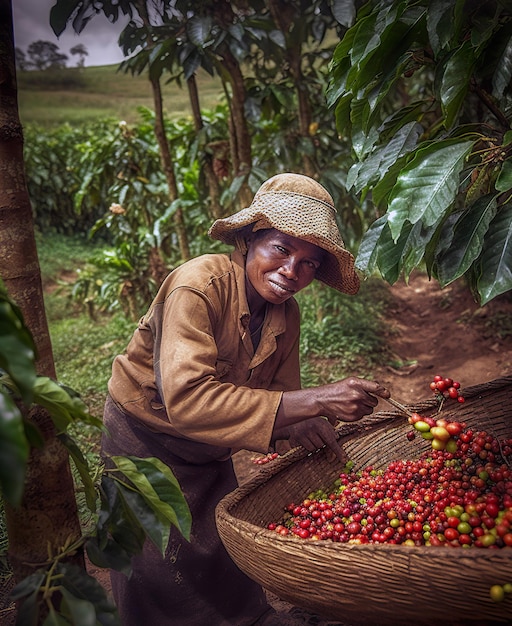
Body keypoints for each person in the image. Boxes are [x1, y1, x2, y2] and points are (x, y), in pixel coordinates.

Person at [101, 173, 390, 626]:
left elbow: (279, 397)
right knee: (156, 565)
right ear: (249, 240)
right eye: (281, 249)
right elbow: (189, 400)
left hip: (211, 445)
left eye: (310, 263)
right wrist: (316, 401)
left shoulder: (285, 313)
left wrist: (308, 428)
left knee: (219, 554)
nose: (292, 271)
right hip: (146, 439)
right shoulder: (198, 286)